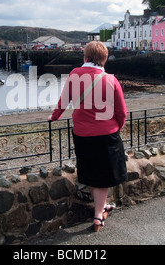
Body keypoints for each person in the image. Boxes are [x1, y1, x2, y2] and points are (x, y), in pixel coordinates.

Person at [48, 41, 127, 232]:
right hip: (107, 134)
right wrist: (118, 127)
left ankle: (101, 207)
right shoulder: (110, 79)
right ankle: (98, 216)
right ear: (104, 59)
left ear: (85, 57)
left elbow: (64, 100)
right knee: (103, 176)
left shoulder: (75, 74)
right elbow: (121, 111)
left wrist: (54, 116)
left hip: (82, 133)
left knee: (91, 172)